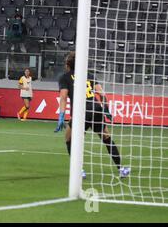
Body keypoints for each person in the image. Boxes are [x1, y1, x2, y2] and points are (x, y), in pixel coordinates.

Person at [55, 51, 130, 179]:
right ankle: (121, 169)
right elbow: (101, 93)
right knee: (106, 138)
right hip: (96, 109)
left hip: (81, 112)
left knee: (69, 140)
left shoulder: (65, 77)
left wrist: (61, 115)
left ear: (68, 65)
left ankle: (79, 171)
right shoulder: (88, 75)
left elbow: (63, 97)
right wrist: (106, 109)